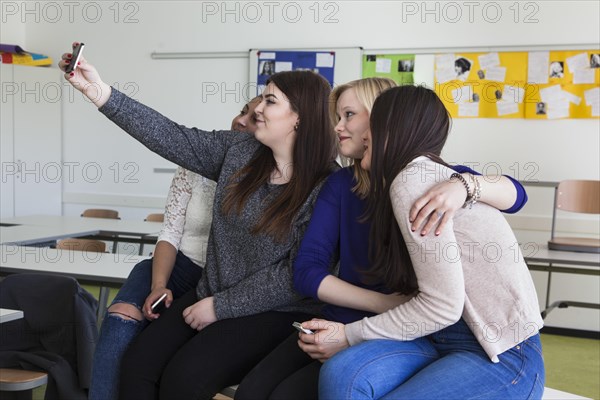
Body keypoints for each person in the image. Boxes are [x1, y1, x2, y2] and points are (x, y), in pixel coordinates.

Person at [59, 43, 338, 399]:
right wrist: (97, 91)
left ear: (299, 117)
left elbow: (293, 276)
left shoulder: (325, 184)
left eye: (270, 101)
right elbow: (168, 135)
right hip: (213, 294)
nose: (257, 111)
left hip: (276, 310)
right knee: (138, 365)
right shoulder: (240, 152)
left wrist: (220, 308)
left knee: (182, 380)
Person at [235, 78, 529, 400]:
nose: (338, 127)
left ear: (382, 122)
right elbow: (307, 271)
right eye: (338, 117)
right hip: (400, 324)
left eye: (350, 115)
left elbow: (517, 195)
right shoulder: (345, 185)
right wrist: (385, 308)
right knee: (257, 391)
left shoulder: (427, 180)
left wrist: (467, 186)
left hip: (430, 331)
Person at [87, 97, 260, 400]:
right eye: (243, 111)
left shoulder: (270, 177)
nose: (241, 120)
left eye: (255, 118)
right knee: (120, 316)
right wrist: (158, 284)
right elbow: (170, 233)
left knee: (161, 353)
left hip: (221, 280)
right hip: (177, 266)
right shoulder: (197, 161)